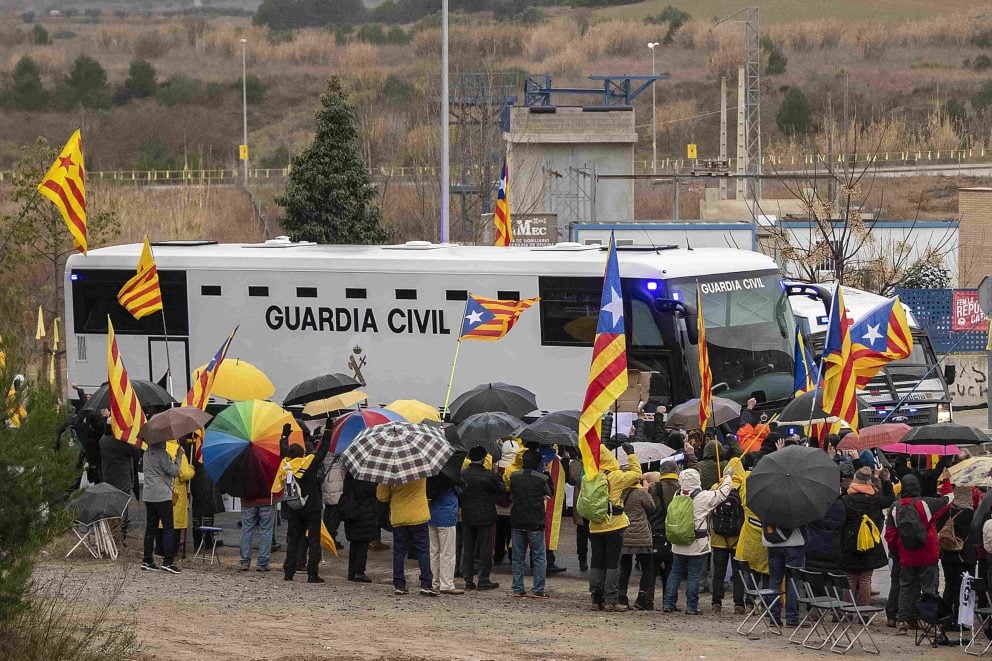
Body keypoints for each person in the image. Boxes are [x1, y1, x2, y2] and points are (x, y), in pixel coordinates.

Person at [884, 472, 953, 634]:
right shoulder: (927, 504)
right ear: (918, 487)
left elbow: (890, 535)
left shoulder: (895, 507)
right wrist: (946, 480)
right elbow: (949, 499)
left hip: (906, 554)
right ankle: (928, 622)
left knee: (906, 587)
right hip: (928, 554)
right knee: (929, 589)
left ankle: (902, 621)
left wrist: (897, 551)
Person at [662, 463, 735, 614]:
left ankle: (668, 604)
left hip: (678, 540)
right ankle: (691, 606)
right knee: (693, 574)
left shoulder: (678, 494)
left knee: (675, 572)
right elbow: (722, 493)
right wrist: (728, 477)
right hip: (697, 543)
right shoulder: (704, 496)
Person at [589, 443, 642, 612]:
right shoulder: (616, 476)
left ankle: (596, 599)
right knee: (612, 563)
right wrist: (631, 455)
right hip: (614, 525)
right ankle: (611, 600)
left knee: (597, 562)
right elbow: (637, 475)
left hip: (595, 525)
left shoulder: (591, 475)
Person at [275, 425, 331, 583]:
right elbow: (322, 450)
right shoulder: (309, 463)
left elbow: (284, 451)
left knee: (293, 540)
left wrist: (284, 436)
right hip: (311, 507)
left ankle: (289, 572)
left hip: (294, 507)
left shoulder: (285, 465)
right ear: (302, 454)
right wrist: (328, 431)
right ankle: (312, 574)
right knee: (313, 541)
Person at [839, 466, 894, 607]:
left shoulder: (845, 500)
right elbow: (890, 499)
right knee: (865, 578)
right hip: (869, 543)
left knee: (850, 578)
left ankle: (847, 611)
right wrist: (886, 480)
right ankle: (864, 612)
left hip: (849, 542)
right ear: (869, 482)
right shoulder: (875, 500)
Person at [378, 474, 435, 596]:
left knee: (399, 552)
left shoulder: (389, 471)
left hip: (399, 516)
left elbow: (382, 496)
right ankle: (426, 584)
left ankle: (399, 584)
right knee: (423, 550)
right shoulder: (421, 468)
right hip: (419, 515)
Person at [509, 448, 553, 599]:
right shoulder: (541, 478)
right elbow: (550, 493)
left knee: (517, 556)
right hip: (535, 520)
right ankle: (538, 589)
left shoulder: (514, 476)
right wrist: (547, 472)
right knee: (539, 557)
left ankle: (517, 588)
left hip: (517, 519)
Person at [460, 446, 503, 590]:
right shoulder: (489, 475)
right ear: (484, 458)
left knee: (468, 548)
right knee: (485, 548)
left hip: (467, 515)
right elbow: (500, 490)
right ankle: (483, 579)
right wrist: (497, 475)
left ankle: (468, 579)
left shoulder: (463, 474)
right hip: (486, 515)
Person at [141, 439, 183, 574]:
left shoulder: (146, 454)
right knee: (168, 528)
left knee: (150, 528)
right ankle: (168, 561)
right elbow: (174, 471)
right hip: (162, 496)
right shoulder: (162, 454)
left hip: (148, 495)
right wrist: (178, 456)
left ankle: (147, 559)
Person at [710, 463, 746, 615]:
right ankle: (739, 604)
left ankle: (716, 602)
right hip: (738, 539)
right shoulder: (743, 487)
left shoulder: (716, 487)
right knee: (738, 572)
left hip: (718, 538)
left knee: (718, 571)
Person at [936, 484, 976, 619]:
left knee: (949, 586)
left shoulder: (948, 512)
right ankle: (960, 619)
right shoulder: (971, 514)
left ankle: (945, 617)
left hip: (947, 555)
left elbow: (938, 528)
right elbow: (975, 533)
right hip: (964, 557)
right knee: (963, 588)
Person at [618, 475, 656, 610]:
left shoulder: (619, 491)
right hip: (642, 536)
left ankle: (622, 597)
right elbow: (652, 507)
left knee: (624, 568)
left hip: (625, 534)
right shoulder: (640, 493)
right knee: (647, 568)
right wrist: (646, 491)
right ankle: (641, 598)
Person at [339, 472, 379, 582]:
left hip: (352, 511)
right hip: (364, 512)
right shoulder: (366, 476)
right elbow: (372, 491)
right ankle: (359, 572)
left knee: (354, 543)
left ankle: (352, 572)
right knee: (362, 543)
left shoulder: (350, 473)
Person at [427, 473, 463, 595]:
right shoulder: (451, 476)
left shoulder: (430, 474)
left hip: (431, 515)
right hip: (447, 516)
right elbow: (461, 490)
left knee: (434, 552)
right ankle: (446, 583)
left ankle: (434, 581)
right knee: (447, 552)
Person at [159, 439, 195, 561]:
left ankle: (159, 549)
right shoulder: (178, 451)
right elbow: (184, 474)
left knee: (161, 522)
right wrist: (191, 469)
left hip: (161, 490)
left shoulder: (158, 449)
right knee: (174, 523)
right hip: (176, 493)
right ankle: (172, 551)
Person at [321, 452, 347, 551]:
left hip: (327, 488)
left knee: (328, 513)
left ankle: (326, 536)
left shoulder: (325, 458)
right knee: (335, 515)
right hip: (336, 490)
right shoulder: (340, 459)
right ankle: (330, 538)